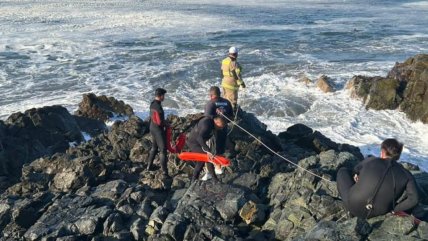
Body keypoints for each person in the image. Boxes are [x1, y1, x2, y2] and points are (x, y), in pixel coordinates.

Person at [336, 139, 419, 219]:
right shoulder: (406, 174)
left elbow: (355, 170)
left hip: (353, 205)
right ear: (398, 155)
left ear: (382, 152)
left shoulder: (370, 160)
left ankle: (351, 210)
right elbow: (414, 199)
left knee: (342, 171)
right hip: (379, 213)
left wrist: (358, 176)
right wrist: (394, 209)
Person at [187, 115, 227, 182]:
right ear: (217, 122)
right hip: (194, 143)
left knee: (205, 159)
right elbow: (199, 138)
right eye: (221, 126)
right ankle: (213, 179)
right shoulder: (206, 125)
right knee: (206, 158)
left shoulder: (213, 124)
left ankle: (195, 179)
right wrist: (208, 150)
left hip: (200, 142)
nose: (221, 128)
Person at [146, 88, 169, 177]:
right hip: (158, 130)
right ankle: (165, 172)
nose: (164, 97)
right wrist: (166, 124)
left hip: (152, 127)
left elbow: (153, 117)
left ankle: (149, 166)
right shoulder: (158, 107)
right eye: (164, 95)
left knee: (154, 148)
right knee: (163, 150)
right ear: (161, 96)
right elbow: (159, 122)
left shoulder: (152, 104)